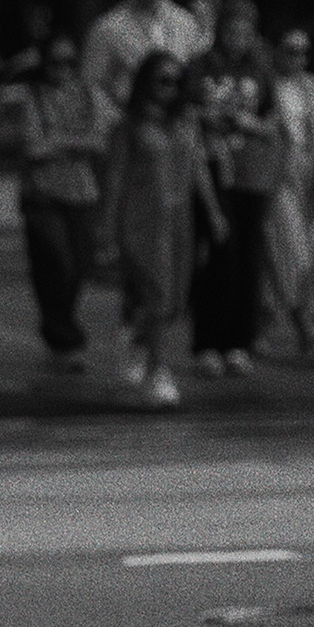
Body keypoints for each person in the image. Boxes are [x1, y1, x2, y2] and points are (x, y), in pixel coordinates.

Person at [100, 51, 224, 408]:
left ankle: (136, 337)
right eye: (161, 80)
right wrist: (106, 230)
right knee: (158, 294)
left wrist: (214, 213)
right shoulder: (130, 126)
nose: (169, 89)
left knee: (174, 302)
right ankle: (158, 370)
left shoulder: (185, 121)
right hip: (141, 221)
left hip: (179, 221)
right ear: (146, 83)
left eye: (176, 81)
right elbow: (115, 179)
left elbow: (198, 168)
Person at [0, 34, 107, 370]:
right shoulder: (29, 97)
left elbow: (103, 138)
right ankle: (63, 341)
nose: (63, 70)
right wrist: (73, 142)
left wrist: (59, 141)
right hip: (43, 194)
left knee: (80, 265)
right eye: (55, 62)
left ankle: (60, 328)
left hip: (82, 191)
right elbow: (32, 148)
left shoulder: (89, 94)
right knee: (55, 263)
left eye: (70, 62)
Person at [188, 0, 282, 377]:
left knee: (249, 259)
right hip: (213, 168)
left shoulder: (260, 69)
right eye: (231, 31)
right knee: (219, 256)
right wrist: (216, 116)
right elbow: (187, 109)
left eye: (245, 32)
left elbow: (272, 116)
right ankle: (209, 342)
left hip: (251, 172)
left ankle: (239, 343)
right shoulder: (201, 66)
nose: (237, 39)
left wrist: (252, 124)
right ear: (219, 31)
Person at [265, 26, 314, 364]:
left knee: (297, 254)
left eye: (303, 52)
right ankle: (305, 330)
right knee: (293, 252)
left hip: (306, 173)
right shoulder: (265, 83)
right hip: (274, 172)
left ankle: (260, 324)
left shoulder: (313, 86)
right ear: (275, 51)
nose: (298, 58)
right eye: (290, 51)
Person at [80, 0, 211, 126]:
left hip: (177, 123)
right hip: (126, 121)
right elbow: (92, 84)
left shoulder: (184, 22)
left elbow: (195, 69)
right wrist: (114, 123)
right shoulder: (107, 28)